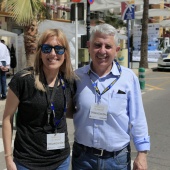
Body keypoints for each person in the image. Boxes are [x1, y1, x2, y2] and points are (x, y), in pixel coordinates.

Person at [72, 24, 150, 170]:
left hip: (117, 160)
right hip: (83, 159)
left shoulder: (128, 78)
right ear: (88, 47)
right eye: (97, 45)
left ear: (117, 50)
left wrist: (142, 153)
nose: (102, 51)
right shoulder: (77, 77)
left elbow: (138, 117)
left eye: (108, 46)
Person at [2, 29, 76, 170]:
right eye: (47, 48)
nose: (53, 54)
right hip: (27, 161)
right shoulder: (23, 80)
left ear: (65, 54)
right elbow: (7, 118)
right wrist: (8, 158)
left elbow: (70, 111)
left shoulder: (69, 81)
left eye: (59, 49)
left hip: (60, 161)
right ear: (40, 52)